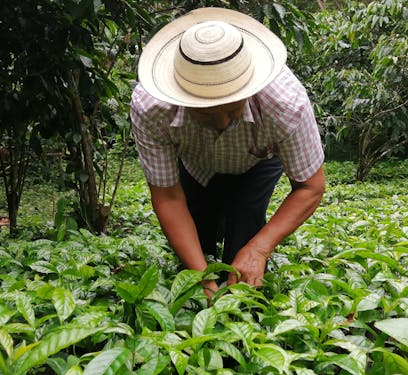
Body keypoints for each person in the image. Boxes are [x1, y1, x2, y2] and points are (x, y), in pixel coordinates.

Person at [130, 7, 325, 296]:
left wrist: (259, 249)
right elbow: (168, 196)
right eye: (206, 115)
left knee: (245, 231)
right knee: (198, 237)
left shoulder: (284, 104)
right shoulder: (152, 108)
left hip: (257, 161)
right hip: (195, 164)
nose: (222, 123)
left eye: (232, 109)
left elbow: (310, 187)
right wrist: (201, 278)